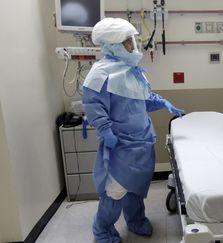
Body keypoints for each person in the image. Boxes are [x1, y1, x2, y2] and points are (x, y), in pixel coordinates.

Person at [82, 18, 184, 243]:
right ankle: (103, 230)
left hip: (142, 142)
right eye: (127, 42)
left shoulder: (133, 70)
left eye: (132, 41)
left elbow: (143, 99)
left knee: (137, 188)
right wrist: (105, 130)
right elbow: (93, 106)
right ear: (111, 45)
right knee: (115, 192)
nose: (133, 46)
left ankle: (136, 220)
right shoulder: (99, 74)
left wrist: (163, 103)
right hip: (120, 145)